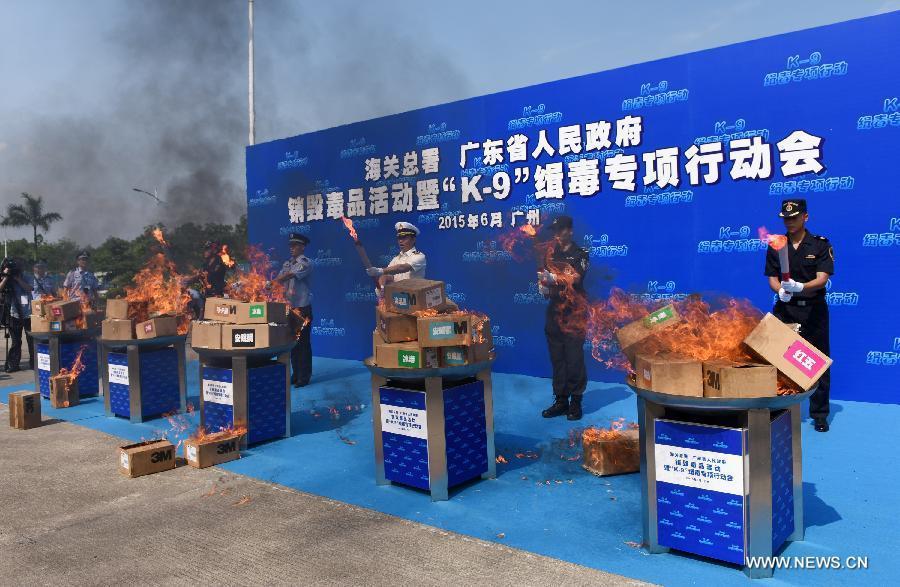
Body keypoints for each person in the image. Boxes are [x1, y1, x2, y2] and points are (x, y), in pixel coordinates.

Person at [765, 199, 833, 432]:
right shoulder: (776, 244)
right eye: (786, 218)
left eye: (794, 217)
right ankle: (777, 410)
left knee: (818, 363)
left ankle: (820, 414)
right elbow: (772, 278)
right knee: (777, 361)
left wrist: (800, 288)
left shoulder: (819, 244)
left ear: (805, 217)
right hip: (786, 309)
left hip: (813, 310)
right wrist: (781, 291)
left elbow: (823, 278)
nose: (789, 222)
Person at [538, 215, 590, 421]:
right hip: (554, 311)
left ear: (570, 231)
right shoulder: (550, 254)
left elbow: (575, 278)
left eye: (561, 230)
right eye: (555, 231)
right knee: (557, 358)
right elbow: (547, 282)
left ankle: (576, 402)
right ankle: (561, 401)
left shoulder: (580, 254)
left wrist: (555, 278)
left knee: (574, 358)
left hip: (574, 312)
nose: (557, 235)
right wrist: (544, 288)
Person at [276, 233, 313, 387]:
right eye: (290, 245)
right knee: (293, 343)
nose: (291, 248)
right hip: (289, 308)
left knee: (303, 343)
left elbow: (290, 275)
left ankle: (304, 377)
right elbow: (279, 280)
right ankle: (296, 373)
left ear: (302, 247)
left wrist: (275, 281)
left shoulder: (306, 262)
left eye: (295, 245)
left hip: (302, 308)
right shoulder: (287, 263)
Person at [366, 222, 427, 288]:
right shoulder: (396, 259)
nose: (400, 241)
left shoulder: (419, 256)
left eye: (404, 238)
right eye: (399, 238)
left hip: (414, 295)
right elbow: (389, 276)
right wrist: (382, 285)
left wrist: (380, 270)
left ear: (413, 239)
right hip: (398, 296)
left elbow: (402, 268)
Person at [0, 258, 33, 372]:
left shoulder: (27, 276)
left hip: (28, 314)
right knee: (16, 341)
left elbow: (30, 288)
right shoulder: (7, 278)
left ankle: (34, 363)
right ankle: (14, 365)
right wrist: (6, 277)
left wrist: (18, 279)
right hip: (14, 314)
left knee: (31, 340)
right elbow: (0, 289)